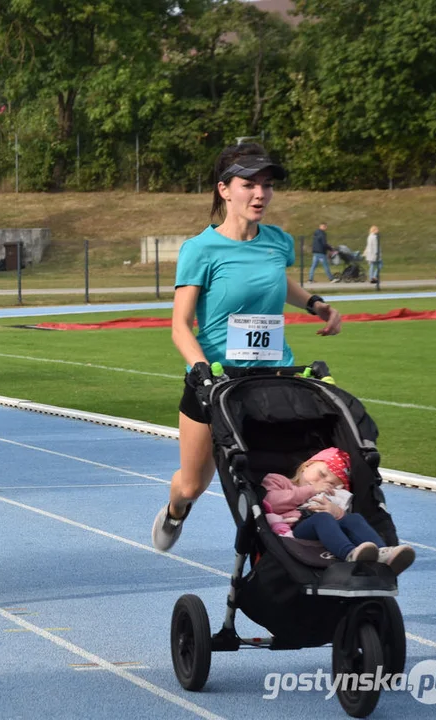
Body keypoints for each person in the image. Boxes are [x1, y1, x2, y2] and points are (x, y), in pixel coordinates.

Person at [152, 143, 343, 553]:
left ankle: (287, 553)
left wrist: (313, 303)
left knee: (281, 477)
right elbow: (180, 325)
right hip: (217, 384)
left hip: (275, 378)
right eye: (248, 185)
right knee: (192, 483)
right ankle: (175, 509)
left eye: (267, 185)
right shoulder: (201, 250)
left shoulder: (278, 242)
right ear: (224, 190)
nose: (260, 194)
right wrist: (202, 369)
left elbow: (274, 279)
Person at [261, 447, 415, 574]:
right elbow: (271, 502)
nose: (323, 483)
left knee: (353, 519)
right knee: (322, 518)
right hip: (293, 531)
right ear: (307, 465)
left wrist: (338, 513)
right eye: (321, 474)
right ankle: (350, 553)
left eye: (332, 485)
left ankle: (384, 554)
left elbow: (343, 523)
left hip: (325, 536)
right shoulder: (279, 481)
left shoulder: (330, 496)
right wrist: (310, 490)